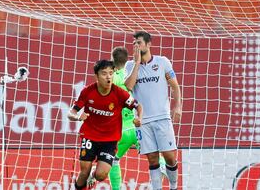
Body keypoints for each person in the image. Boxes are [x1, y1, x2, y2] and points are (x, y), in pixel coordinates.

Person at [68, 59, 143, 190]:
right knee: (84, 172)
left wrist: (139, 118)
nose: (108, 76)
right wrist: (78, 117)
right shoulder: (87, 92)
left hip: (110, 140)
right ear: (96, 76)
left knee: (101, 175)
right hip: (90, 136)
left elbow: (138, 106)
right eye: (104, 73)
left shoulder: (119, 93)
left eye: (111, 73)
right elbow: (71, 113)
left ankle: (94, 174)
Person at [125, 31, 182, 190]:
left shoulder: (162, 62)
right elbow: (129, 87)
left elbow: (175, 86)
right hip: (142, 121)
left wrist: (177, 106)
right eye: (134, 43)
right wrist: (136, 63)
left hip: (162, 117)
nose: (136, 45)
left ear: (149, 44)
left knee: (170, 157)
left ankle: (174, 186)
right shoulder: (130, 66)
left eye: (139, 42)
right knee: (152, 158)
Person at [109, 47, 166, 190]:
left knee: (113, 160)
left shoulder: (112, 77)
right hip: (139, 126)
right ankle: (164, 165)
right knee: (153, 155)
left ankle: (117, 188)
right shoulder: (134, 73)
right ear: (127, 59)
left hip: (121, 130)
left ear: (113, 60)